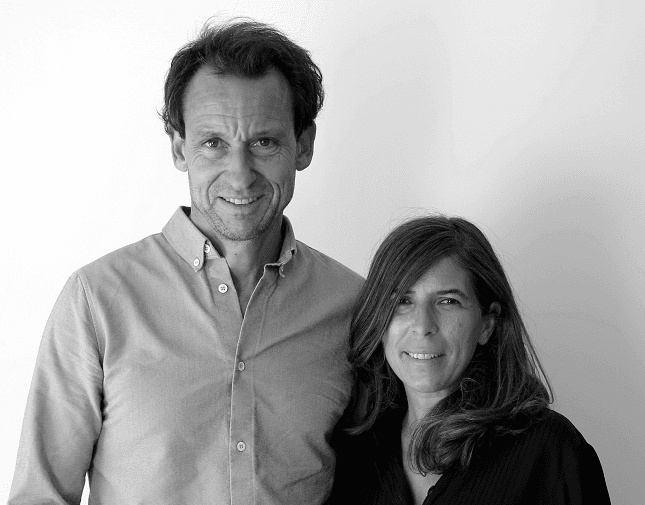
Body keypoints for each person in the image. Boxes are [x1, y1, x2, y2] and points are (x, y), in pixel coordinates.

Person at [9, 19, 363, 505]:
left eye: (264, 141)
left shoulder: (355, 308)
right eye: (213, 143)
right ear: (179, 148)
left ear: (303, 145)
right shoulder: (97, 301)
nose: (239, 175)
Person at [329, 216, 610, 504]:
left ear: (487, 323)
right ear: (378, 321)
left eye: (448, 301)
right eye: (402, 301)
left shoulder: (551, 450)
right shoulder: (356, 451)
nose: (422, 325)